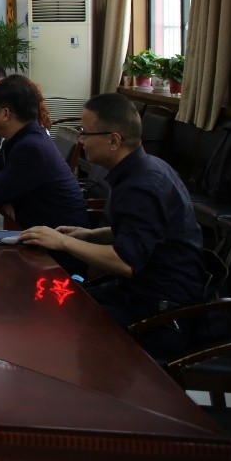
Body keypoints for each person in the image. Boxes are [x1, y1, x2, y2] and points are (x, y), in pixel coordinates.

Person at [20, 93, 208, 359]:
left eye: (85, 133)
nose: (80, 140)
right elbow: (141, 232)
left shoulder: (142, 186)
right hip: (135, 291)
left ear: (114, 140)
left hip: (161, 310)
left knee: (59, 323)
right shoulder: (145, 167)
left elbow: (126, 261)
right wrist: (89, 235)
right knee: (58, 301)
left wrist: (63, 242)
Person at [0, 75, 86, 233]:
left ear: (5, 114)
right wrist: (3, 193)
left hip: (60, 239)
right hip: (36, 229)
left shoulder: (32, 146)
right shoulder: (20, 137)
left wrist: (2, 192)